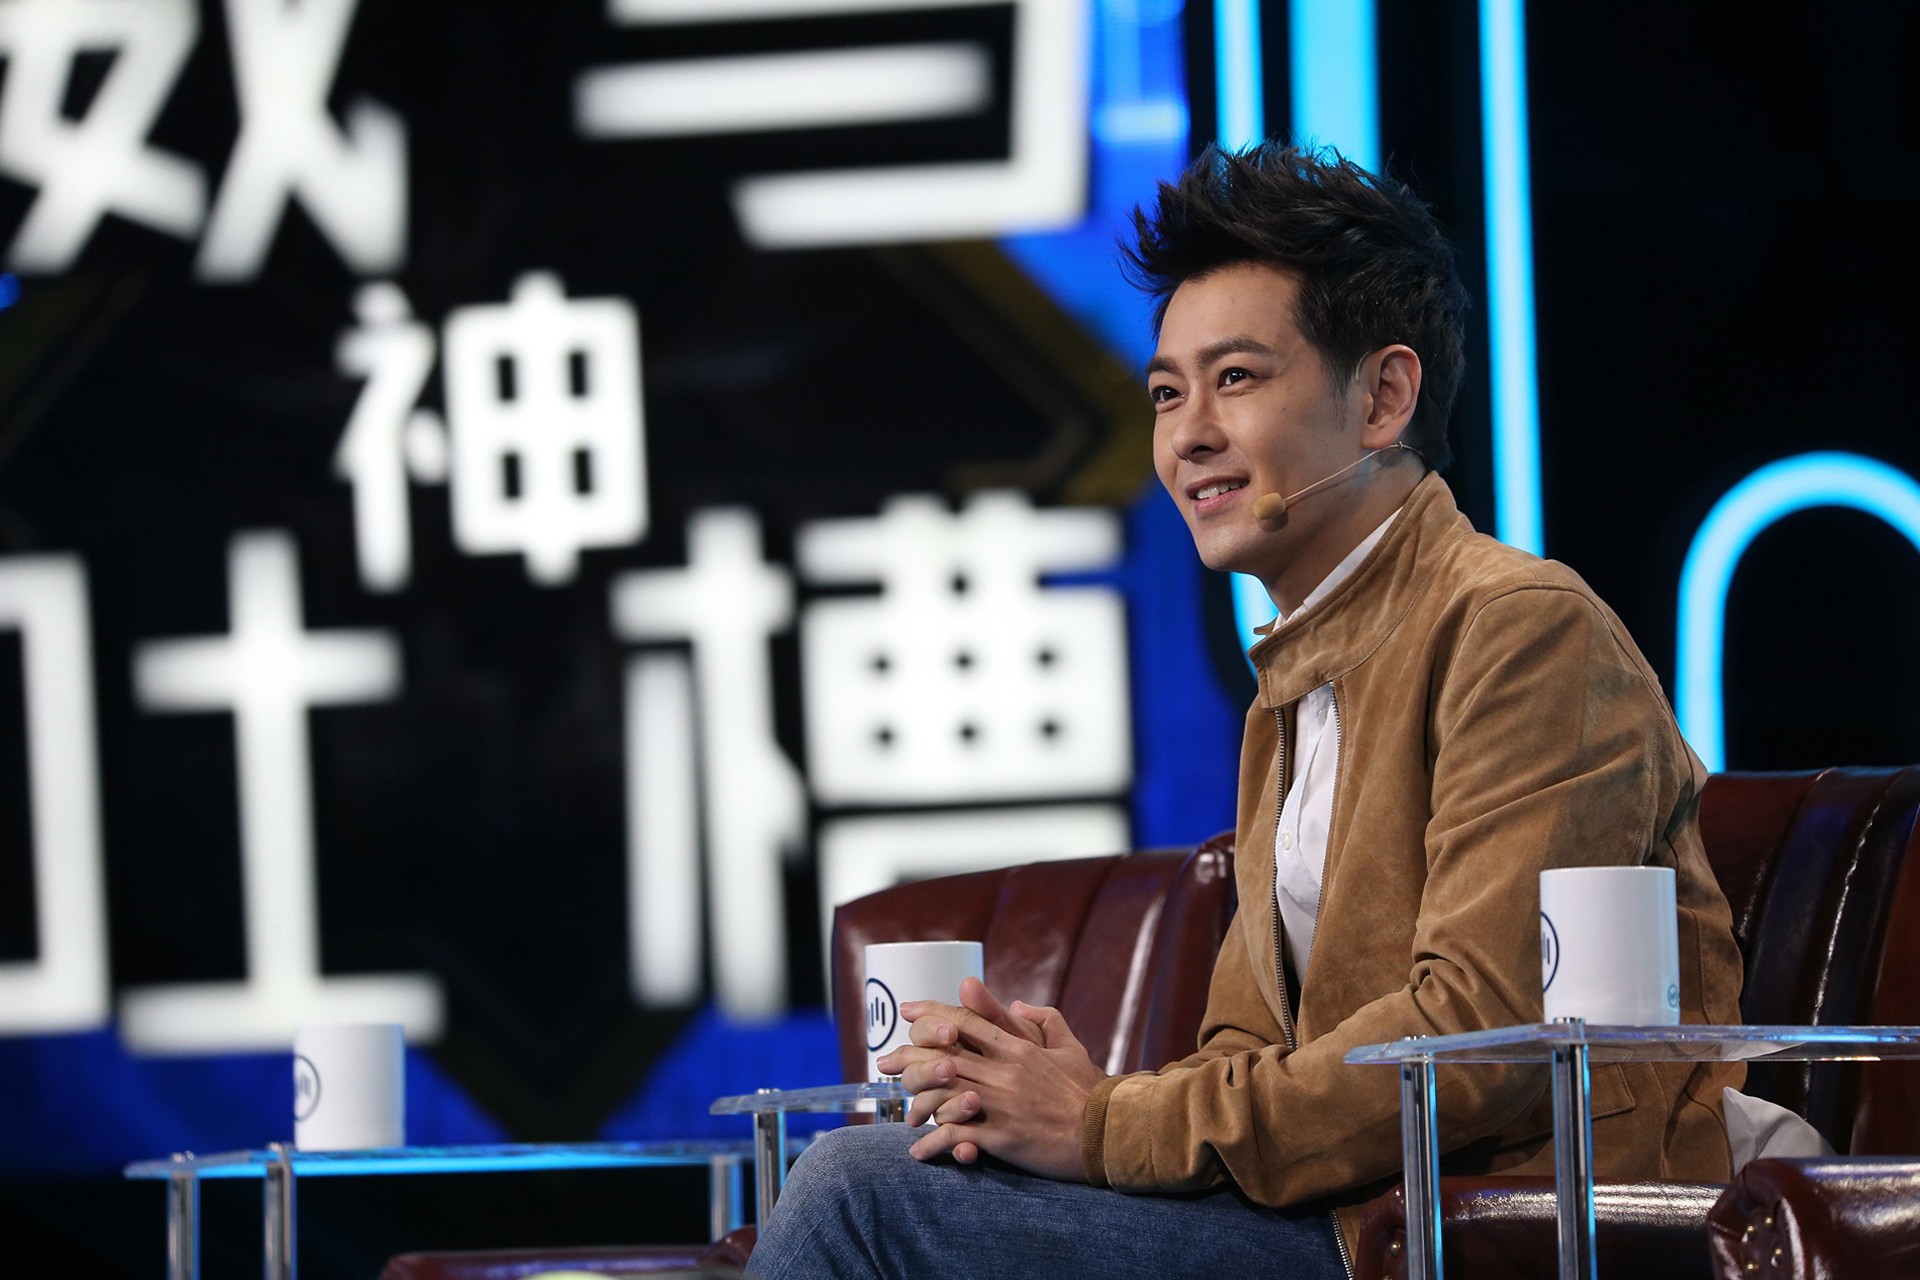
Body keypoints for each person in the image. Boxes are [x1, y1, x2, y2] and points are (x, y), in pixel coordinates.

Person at [749, 141, 1746, 1278]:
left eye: (1235, 378)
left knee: (858, 1193)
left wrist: (1107, 1125)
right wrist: (1071, 1095)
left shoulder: (1518, 627)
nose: (1187, 436)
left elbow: (1482, 1036)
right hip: (1337, 1209)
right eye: (1167, 393)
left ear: (1383, 397)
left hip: (1483, 1221)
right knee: (920, 1159)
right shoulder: (1295, 675)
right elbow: (1247, 1045)